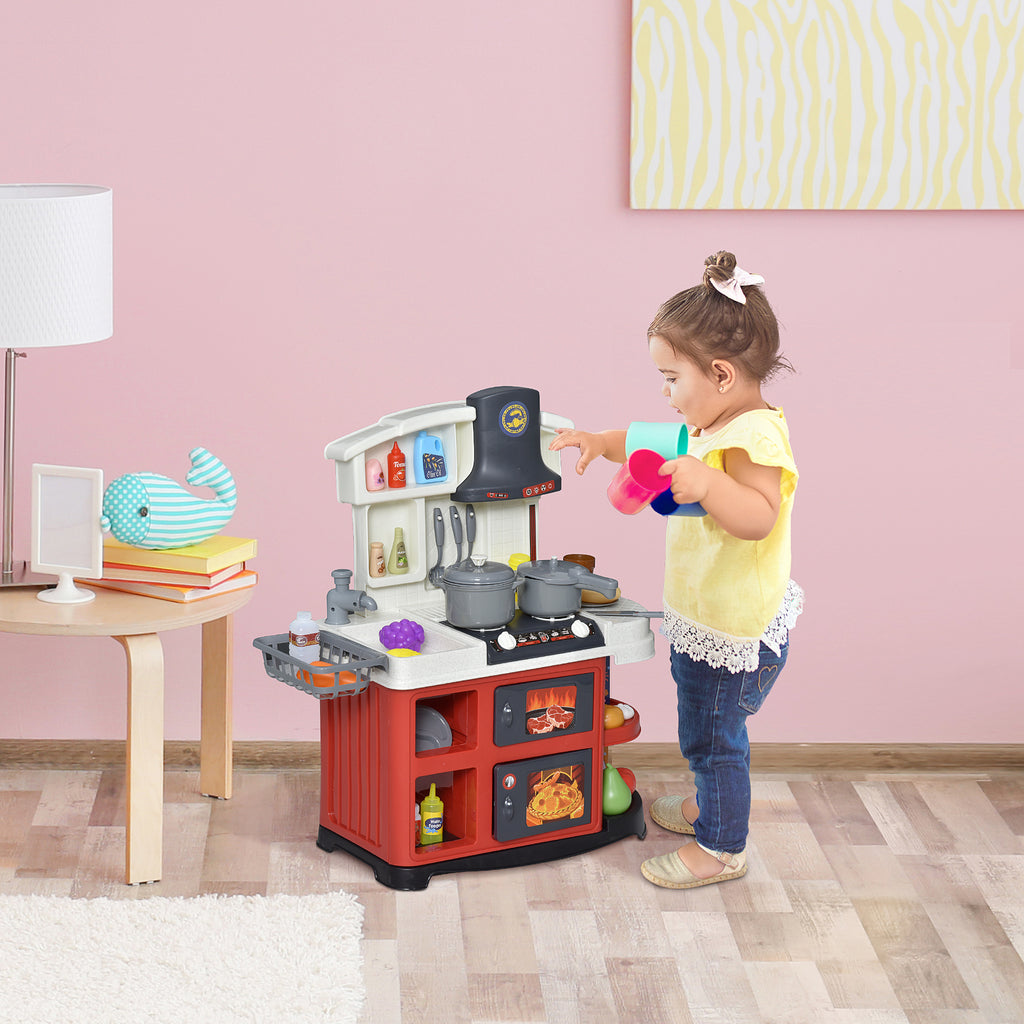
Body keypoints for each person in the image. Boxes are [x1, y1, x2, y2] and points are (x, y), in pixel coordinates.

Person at [549, 251, 802, 889]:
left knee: (714, 739)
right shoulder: (708, 426)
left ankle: (721, 847)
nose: (665, 393)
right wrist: (599, 442)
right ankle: (710, 807)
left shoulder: (752, 437)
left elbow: (759, 517)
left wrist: (709, 486)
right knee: (706, 730)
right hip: (706, 615)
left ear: (720, 374)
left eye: (670, 378)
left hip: (733, 626)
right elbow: (643, 442)